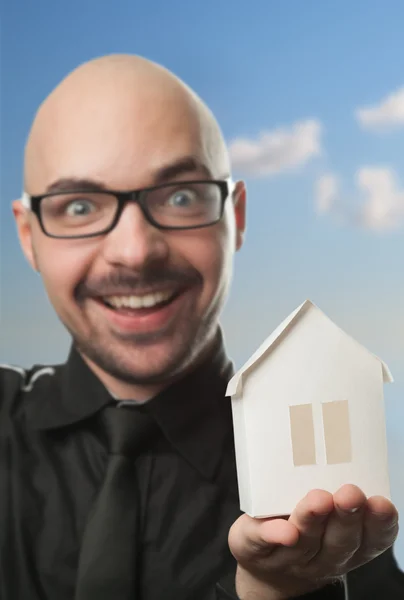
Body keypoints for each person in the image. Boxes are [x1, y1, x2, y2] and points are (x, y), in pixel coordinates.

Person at [0, 54, 402, 600]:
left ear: (234, 217)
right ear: (28, 235)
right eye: (79, 207)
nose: (135, 252)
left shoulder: (332, 500)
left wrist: (274, 593)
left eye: (182, 196)